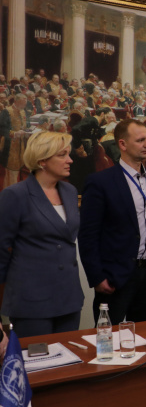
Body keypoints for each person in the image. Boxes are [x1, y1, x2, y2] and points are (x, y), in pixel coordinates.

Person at [79, 119, 146, 325]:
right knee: (109, 338)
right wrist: (96, 276)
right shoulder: (101, 182)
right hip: (115, 276)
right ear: (122, 144)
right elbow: (87, 235)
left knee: (144, 335)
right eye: (140, 140)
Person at [0, 131, 83, 338]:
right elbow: (1, 249)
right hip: (32, 300)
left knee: (70, 356)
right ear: (42, 161)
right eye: (62, 155)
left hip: (69, 296)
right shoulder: (15, 194)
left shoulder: (70, 191)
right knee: (36, 358)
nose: (70, 160)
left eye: (69, 154)